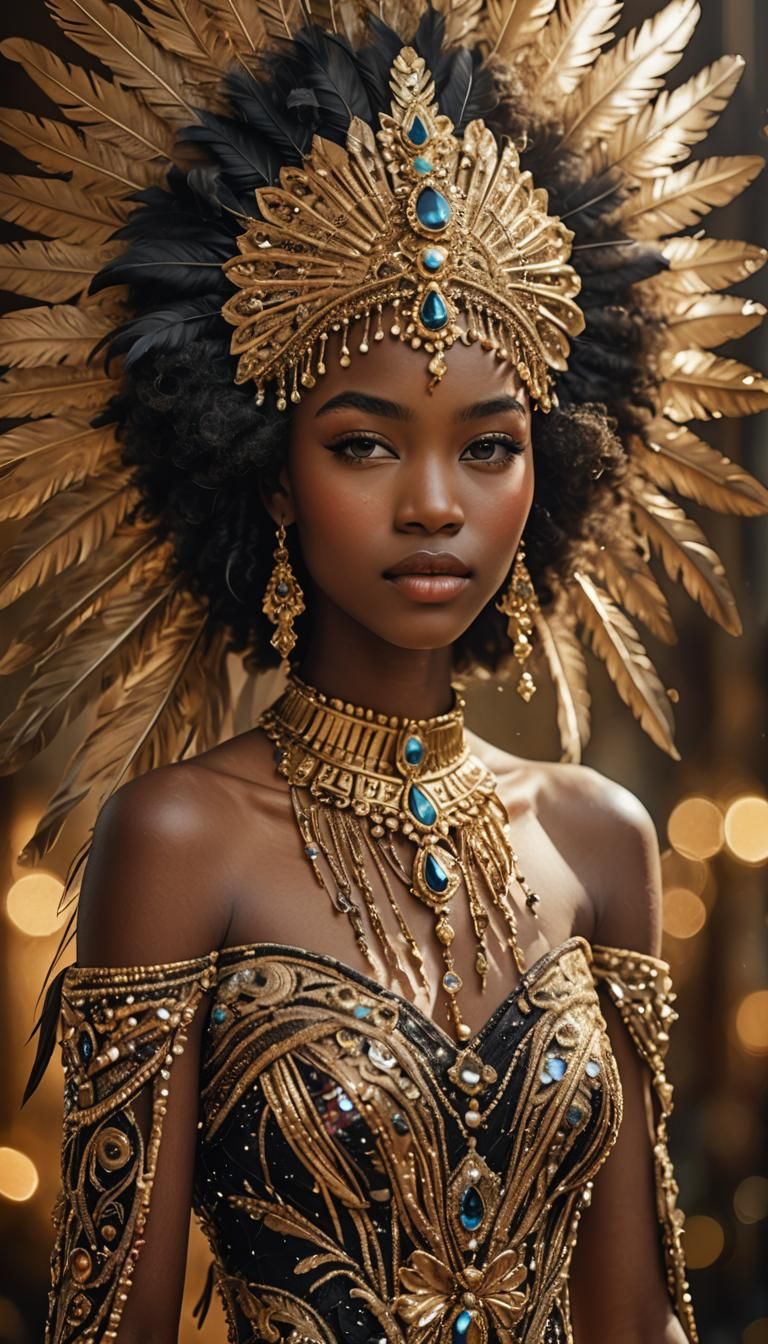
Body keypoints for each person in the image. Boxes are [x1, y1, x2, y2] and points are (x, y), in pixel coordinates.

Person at [1, 0, 767, 1341]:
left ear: (552, 465)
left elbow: (639, 1317)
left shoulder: (604, 841)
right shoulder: (180, 838)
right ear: (271, 472)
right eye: (364, 443)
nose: (434, 506)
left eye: (488, 445)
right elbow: (105, 1317)